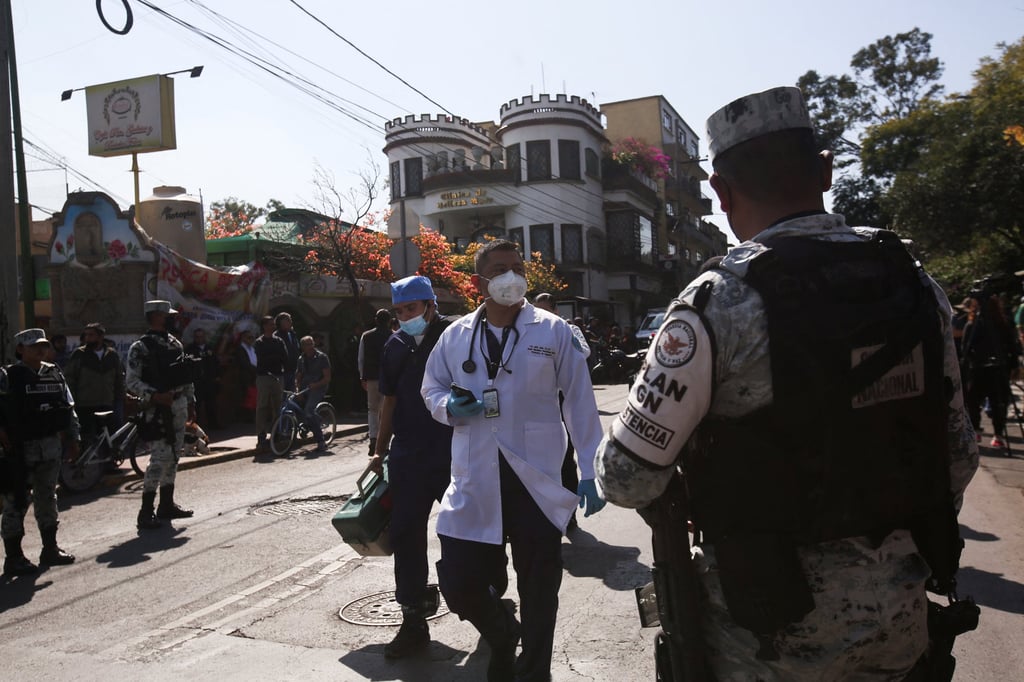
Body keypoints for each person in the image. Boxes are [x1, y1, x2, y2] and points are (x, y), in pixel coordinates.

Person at [596, 86, 979, 680]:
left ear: (720, 193)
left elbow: (625, 478)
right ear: (825, 170)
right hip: (900, 630)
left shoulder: (719, 302)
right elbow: (957, 456)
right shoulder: (915, 286)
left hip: (767, 641)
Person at [421, 240, 606, 681]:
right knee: (458, 580)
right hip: (475, 477)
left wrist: (590, 467)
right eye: (500, 269)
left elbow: (579, 401)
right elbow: (431, 388)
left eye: (517, 268)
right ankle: (502, 632)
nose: (511, 277)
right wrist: (449, 406)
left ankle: (533, 671)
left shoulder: (553, 331)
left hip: (534, 477)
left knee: (540, 587)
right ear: (478, 282)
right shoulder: (456, 334)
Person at [368, 276, 454, 658]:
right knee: (406, 536)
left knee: (468, 532)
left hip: (456, 450)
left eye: (412, 309)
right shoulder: (394, 344)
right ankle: (413, 621)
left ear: (430, 306)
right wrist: (378, 448)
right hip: (408, 453)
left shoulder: (456, 336)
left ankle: (489, 599)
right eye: (400, 311)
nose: (405, 317)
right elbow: (388, 401)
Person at [0, 329, 80, 575]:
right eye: (33, 346)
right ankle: (14, 557)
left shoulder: (54, 372)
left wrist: (74, 437)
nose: (39, 350)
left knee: (48, 497)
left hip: (50, 447)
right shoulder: (8, 376)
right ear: (20, 349)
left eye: (42, 346)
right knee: (16, 501)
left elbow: (69, 406)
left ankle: (50, 548)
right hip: (20, 450)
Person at [126, 301, 197, 530]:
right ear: (156, 316)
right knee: (158, 459)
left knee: (175, 454)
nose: (170, 318)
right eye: (167, 315)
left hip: (178, 405)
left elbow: (185, 375)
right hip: (157, 409)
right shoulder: (140, 347)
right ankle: (146, 511)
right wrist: (155, 396)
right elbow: (132, 381)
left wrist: (191, 401)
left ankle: (166, 504)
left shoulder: (174, 343)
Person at [534, 292, 591, 531]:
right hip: (538, 405)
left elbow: (583, 353)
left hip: (563, 398)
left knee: (565, 459)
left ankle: (569, 513)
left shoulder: (567, 329)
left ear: (556, 310)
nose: (542, 314)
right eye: (539, 309)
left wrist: (569, 341)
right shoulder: (531, 329)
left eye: (547, 309)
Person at [962, 293, 1021, 449]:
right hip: (995, 369)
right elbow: (1013, 347)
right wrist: (1013, 365)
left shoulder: (980, 324)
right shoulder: (1001, 324)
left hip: (982, 368)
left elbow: (965, 349)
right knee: (997, 402)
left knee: (976, 401)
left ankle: (978, 431)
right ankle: (997, 434)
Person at [64, 322, 126, 440]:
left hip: (107, 404)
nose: (87, 338)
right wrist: (72, 403)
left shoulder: (112, 355)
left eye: (91, 335)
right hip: (85, 406)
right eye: (86, 335)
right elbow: (70, 379)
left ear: (100, 336)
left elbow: (119, 378)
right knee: (87, 440)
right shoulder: (79, 354)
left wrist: (121, 398)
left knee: (109, 439)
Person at [359, 309, 393, 458]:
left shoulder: (366, 336)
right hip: (390, 378)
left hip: (372, 377)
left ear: (376, 320)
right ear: (389, 320)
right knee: (387, 409)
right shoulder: (394, 336)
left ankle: (373, 438)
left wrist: (362, 377)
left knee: (372, 409)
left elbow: (361, 358)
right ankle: (384, 443)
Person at [253, 316, 287, 452]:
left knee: (278, 406)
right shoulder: (259, 342)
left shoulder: (279, 341)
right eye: (270, 324)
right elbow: (261, 359)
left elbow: (285, 357)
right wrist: (274, 357)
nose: (273, 326)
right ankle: (261, 435)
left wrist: (274, 358)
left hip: (278, 376)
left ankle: (276, 432)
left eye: (274, 324)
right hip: (264, 377)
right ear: (264, 326)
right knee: (262, 406)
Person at [294, 335, 332, 452]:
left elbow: (327, 378)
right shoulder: (301, 359)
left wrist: (315, 385)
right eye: (307, 345)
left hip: (318, 388)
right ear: (302, 347)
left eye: (311, 344)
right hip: (305, 388)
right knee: (291, 403)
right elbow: (298, 377)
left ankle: (320, 441)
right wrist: (297, 390)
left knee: (309, 411)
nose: (310, 347)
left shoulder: (321, 358)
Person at [184, 328, 220, 429]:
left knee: (211, 403)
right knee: (197, 404)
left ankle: (213, 424)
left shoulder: (210, 349)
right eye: (197, 337)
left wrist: (217, 376)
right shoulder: (190, 349)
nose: (199, 339)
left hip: (209, 380)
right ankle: (197, 426)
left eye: (201, 336)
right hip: (197, 381)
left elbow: (215, 363)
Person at [274, 312, 301, 392]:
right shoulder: (276, 336)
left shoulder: (292, 334)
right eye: (288, 321)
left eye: (290, 320)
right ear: (281, 323)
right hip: (282, 373)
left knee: (292, 395)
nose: (290, 323)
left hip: (293, 371)